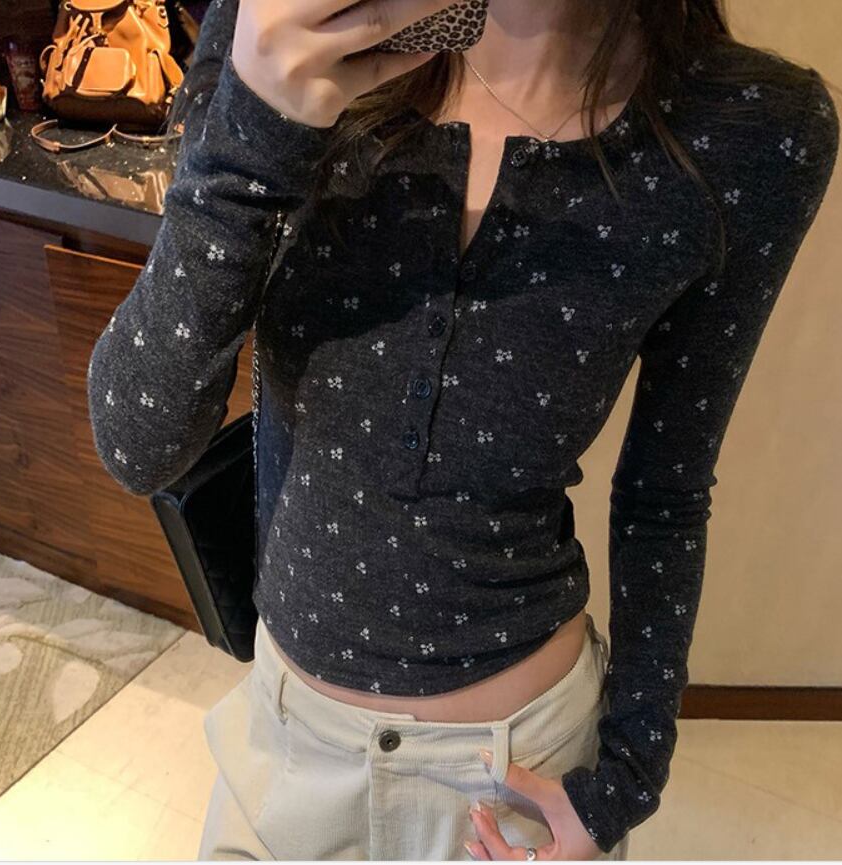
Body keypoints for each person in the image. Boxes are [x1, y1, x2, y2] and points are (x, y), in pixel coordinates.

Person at [86, 0, 839, 859]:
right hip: (284, 748)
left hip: (511, 782)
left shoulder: (748, 128)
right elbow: (137, 444)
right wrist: (249, 143)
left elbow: (664, 489)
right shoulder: (286, 25)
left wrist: (627, 777)